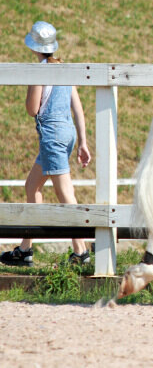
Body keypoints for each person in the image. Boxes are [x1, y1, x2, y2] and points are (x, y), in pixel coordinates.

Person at [0, 21, 92, 267]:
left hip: (51, 136)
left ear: (34, 47)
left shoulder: (38, 72)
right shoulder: (64, 69)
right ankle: (25, 248)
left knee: (65, 194)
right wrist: (83, 141)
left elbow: (32, 109)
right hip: (67, 133)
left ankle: (81, 251)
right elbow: (77, 107)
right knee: (32, 186)